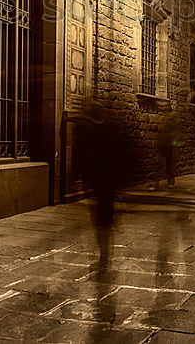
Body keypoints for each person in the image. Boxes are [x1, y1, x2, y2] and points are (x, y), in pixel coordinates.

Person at [72, 97, 134, 266]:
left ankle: (104, 250)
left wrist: (76, 175)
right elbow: (125, 155)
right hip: (107, 181)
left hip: (97, 180)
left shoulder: (88, 131)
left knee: (99, 216)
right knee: (104, 215)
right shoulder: (112, 130)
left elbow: (80, 155)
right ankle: (105, 248)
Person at [153, 114, 180, 190]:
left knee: (169, 166)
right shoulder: (164, 129)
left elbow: (176, 140)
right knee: (160, 165)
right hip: (163, 148)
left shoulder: (175, 130)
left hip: (170, 149)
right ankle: (156, 183)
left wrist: (173, 144)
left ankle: (170, 182)